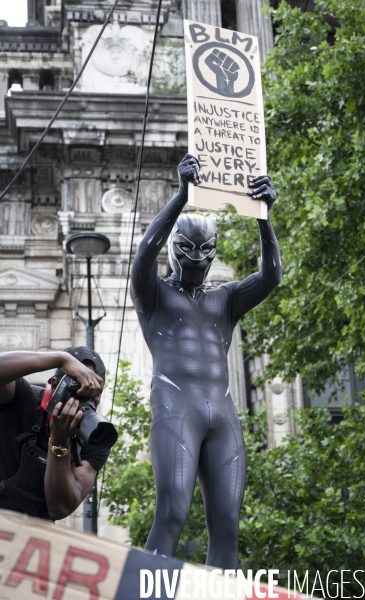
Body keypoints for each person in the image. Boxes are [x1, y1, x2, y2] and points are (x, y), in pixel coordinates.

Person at [130, 154, 282, 569]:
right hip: (176, 407)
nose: (197, 256)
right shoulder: (154, 294)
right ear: (175, 250)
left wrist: (262, 215)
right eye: (187, 248)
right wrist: (182, 195)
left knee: (228, 525)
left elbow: (271, 277)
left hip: (223, 415)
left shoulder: (226, 297)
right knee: (172, 511)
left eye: (206, 249)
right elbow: (144, 253)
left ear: (215, 252)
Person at [0, 346, 108, 521]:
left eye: (91, 395)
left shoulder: (95, 437)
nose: (81, 403)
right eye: (77, 390)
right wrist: (61, 359)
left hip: (33, 539)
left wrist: (60, 439)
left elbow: (60, 508)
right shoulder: (23, 400)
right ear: (56, 385)